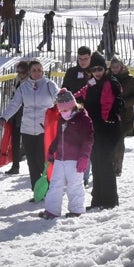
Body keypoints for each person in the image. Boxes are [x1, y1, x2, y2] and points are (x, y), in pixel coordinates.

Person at [0, 59, 58, 196]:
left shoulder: (49, 84)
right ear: (29, 72)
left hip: (44, 129)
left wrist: (65, 98)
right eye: (34, 70)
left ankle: (47, 189)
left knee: (42, 160)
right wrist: (4, 117)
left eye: (39, 70)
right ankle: (36, 191)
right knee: (31, 161)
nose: (37, 73)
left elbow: (58, 94)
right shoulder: (24, 87)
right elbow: (14, 104)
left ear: (43, 71)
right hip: (27, 129)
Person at [78, 53, 123, 210]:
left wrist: (112, 114)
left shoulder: (111, 82)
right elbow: (79, 95)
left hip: (109, 128)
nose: (97, 72)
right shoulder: (91, 83)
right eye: (94, 69)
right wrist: (67, 99)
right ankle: (97, 200)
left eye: (100, 69)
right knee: (96, 163)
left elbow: (118, 99)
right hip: (94, 129)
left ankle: (110, 201)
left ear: (105, 69)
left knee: (105, 163)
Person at [41, 89, 94, 219]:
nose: (63, 113)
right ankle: (52, 211)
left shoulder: (83, 119)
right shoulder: (62, 119)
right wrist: (52, 150)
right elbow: (59, 136)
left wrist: (84, 157)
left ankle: (76, 210)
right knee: (55, 184)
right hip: (60, 158)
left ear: (73, 106)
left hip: (75, 159)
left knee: (74, 184)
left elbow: (88, 140)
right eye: (61, 110)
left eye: (65, 110)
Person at [108, 57, 134, 178]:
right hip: (109, 115)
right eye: (112, 67)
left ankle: (117, 167)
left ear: (121, 67)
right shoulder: (107, 78)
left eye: (117, 67)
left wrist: (125, 103)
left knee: (119, 142)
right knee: (109, 141)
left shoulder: (129, 79)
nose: (115, 69)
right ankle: (108, 165)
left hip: (124, 116)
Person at [0, 61, 30, 175]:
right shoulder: (17, 79)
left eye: (23, 72)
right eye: (19, 72)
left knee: (29, 142)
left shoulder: (30, 82)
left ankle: (34, 166)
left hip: (27, 114)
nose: (20, 74)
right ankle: (15, 166)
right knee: (15, 140)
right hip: (16, 114)